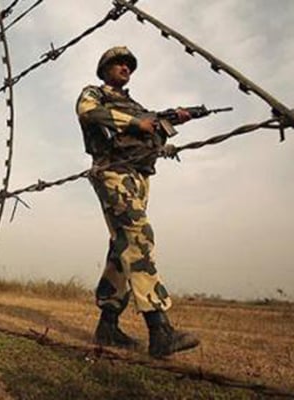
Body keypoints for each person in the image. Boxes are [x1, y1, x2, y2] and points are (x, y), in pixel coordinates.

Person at [75, 46, 200, 358]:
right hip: (112, 171)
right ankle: (160, 329)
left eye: (128, 64)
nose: (124, 67)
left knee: (123, 248)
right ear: (104, 69)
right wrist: (137, 123)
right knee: (139, 238)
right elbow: (87, 112)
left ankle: (108, 326)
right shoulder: (95, 93)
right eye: (118, 63)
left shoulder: (137, 106)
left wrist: (169, 125)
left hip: (139, 176)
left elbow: (150, 139)